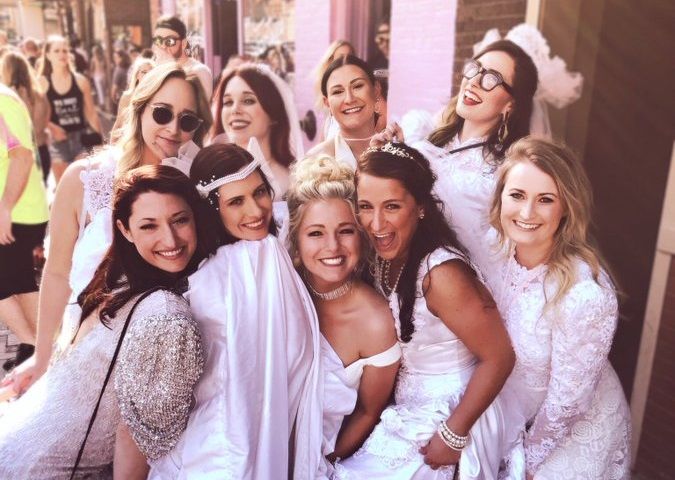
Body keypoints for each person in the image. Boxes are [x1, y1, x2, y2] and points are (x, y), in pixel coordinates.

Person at [4, 62, 212, 395]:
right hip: (84, 360)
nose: (173, 129)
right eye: (162, 113)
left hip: (159, 373)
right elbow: (57, 273)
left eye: (186, 120)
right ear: (140, 108)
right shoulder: (84, 179)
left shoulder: (194, 188)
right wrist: (42, 358)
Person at [0, 165, 209, 478]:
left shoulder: (113, 278)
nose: (170, 239)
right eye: (149, 226)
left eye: (180, 220)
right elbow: (135, 438)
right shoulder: (166, 316)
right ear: (125, 230)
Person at [337, 142, 517, 479]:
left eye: (391, 206)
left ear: (420, 207)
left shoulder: (441, 274)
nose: (376, 223)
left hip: (453, 412)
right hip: (407, 409)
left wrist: (454, 433)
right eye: (365, 207)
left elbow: (500, 356)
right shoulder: (383, 256)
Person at [149, 143, 322, 479]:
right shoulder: (211, 278)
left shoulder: (268, 249)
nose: (256, 210)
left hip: (267, 423)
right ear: (213, 209)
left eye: (259, 192)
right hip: (226, 436)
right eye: (236, 202)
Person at [483, 137, 631, 479]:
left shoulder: (584, 295)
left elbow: (568, 405)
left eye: (545, 200)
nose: (527, 213)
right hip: (505, 418)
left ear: (566, 207)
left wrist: (525, 466)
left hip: (565, 434)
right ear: (500, 196)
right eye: (517, 195)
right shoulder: (490, 250)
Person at [286, 154, 400, 477]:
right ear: (295, 240)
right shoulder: (282, 293)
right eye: (316, 233)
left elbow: (367, 411)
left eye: (345, 231)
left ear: (362, 237)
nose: (332, 246)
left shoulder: (375, 322)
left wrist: (316, 463)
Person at [0, 83, 48, 374]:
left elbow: (23, 156)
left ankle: (43, 354)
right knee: (16, 282)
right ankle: (42, 353)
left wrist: (5, 207)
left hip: (18, 212)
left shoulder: (3, 101)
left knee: (12, 283)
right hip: (15, 211)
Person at [210, 63, 304, 196]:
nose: (235, 110)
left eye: (248, 101)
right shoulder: (212, 173)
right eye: (228, 102)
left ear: (273, 114)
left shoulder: (291, 181)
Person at [38, 35, 102, 183]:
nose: (62, 54)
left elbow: (91, 113)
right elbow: (36, 115)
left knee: (84, 186)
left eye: (65, 51)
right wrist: (52, 127)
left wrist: (100, 143)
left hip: (81, 138)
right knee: (62, 186)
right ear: (47, 55)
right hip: (57, 142)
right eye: (57, 51)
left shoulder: (80, 81)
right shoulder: (42, 83)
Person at [307, 55, 383, 169]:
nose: (349, 99)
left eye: (358, 86)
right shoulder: (315, 161)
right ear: (327, 103)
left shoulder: (398, 154)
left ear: (376, 90)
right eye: (337, 92)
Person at [1, 51, 52, 183]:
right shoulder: (40, 95)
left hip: (22, 157)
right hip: (43, 152)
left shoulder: (9, 98)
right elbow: (46, 121)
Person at [153, 15, 213, 98]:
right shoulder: (157, 70)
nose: (163, 46)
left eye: (169, 41)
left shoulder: (198, 71)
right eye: (158, 41)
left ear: (184, 43)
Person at [311, 40, 356, 141]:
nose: (346, 60)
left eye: (350, 57)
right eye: (340, 57)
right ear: (331, 61)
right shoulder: (327, 86)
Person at [112, 57, 155, 137]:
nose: (147, 75)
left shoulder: (157, 96)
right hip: (128, 140)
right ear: (137, 75)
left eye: (150, 73)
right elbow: (119, 122)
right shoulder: (127, 96)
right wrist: (112, 145)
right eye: (144, 72)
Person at [111, 49, 131, 113]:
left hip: (122, 97)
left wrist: (113, 98)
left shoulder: (118, 70)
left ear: (121, 58)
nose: (114, 59)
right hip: (131, 96)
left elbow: (114, 88)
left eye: (116, 57)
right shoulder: (131, 67)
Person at [90, 44, 109, 111]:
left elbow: (92, 68)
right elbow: (105, 67)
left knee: (100, 91)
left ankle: (102, 104)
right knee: (103, 91)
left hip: (97, 76)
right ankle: (102, 103)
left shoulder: (93, 59)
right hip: (103, 75)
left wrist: (91, 76)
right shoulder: (102, 58)